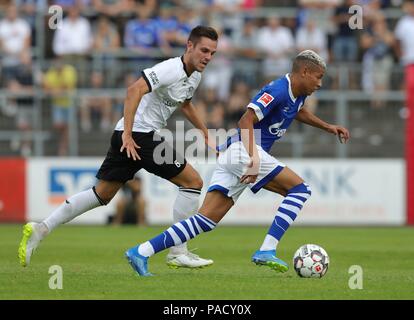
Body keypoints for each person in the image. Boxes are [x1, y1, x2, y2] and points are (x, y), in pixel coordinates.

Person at [124, 50, 350, 276]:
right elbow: (245, 120)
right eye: (318, 77)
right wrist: (253, 160)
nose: (320, 83)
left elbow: (296, 112)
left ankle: (141, 251)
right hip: (245, 150)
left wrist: (328, 126)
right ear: (305, 71)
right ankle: (267, 250)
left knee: (205, 221)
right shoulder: (278, 89)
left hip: (236, 152)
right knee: (300, 190)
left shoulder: (298, 93)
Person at [18, 26, 219, 269]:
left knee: (101, 194)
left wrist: (205, 133)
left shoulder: (194, 75)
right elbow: (133, 90)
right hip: (137, 135)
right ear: (189, 46)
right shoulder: (170, 69)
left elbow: (185, 104)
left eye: (212, 53)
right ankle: (178, 251)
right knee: (193, 183)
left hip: (130, 135)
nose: (208, 57)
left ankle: (41, 228)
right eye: (204, 50)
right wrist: (127, 134)